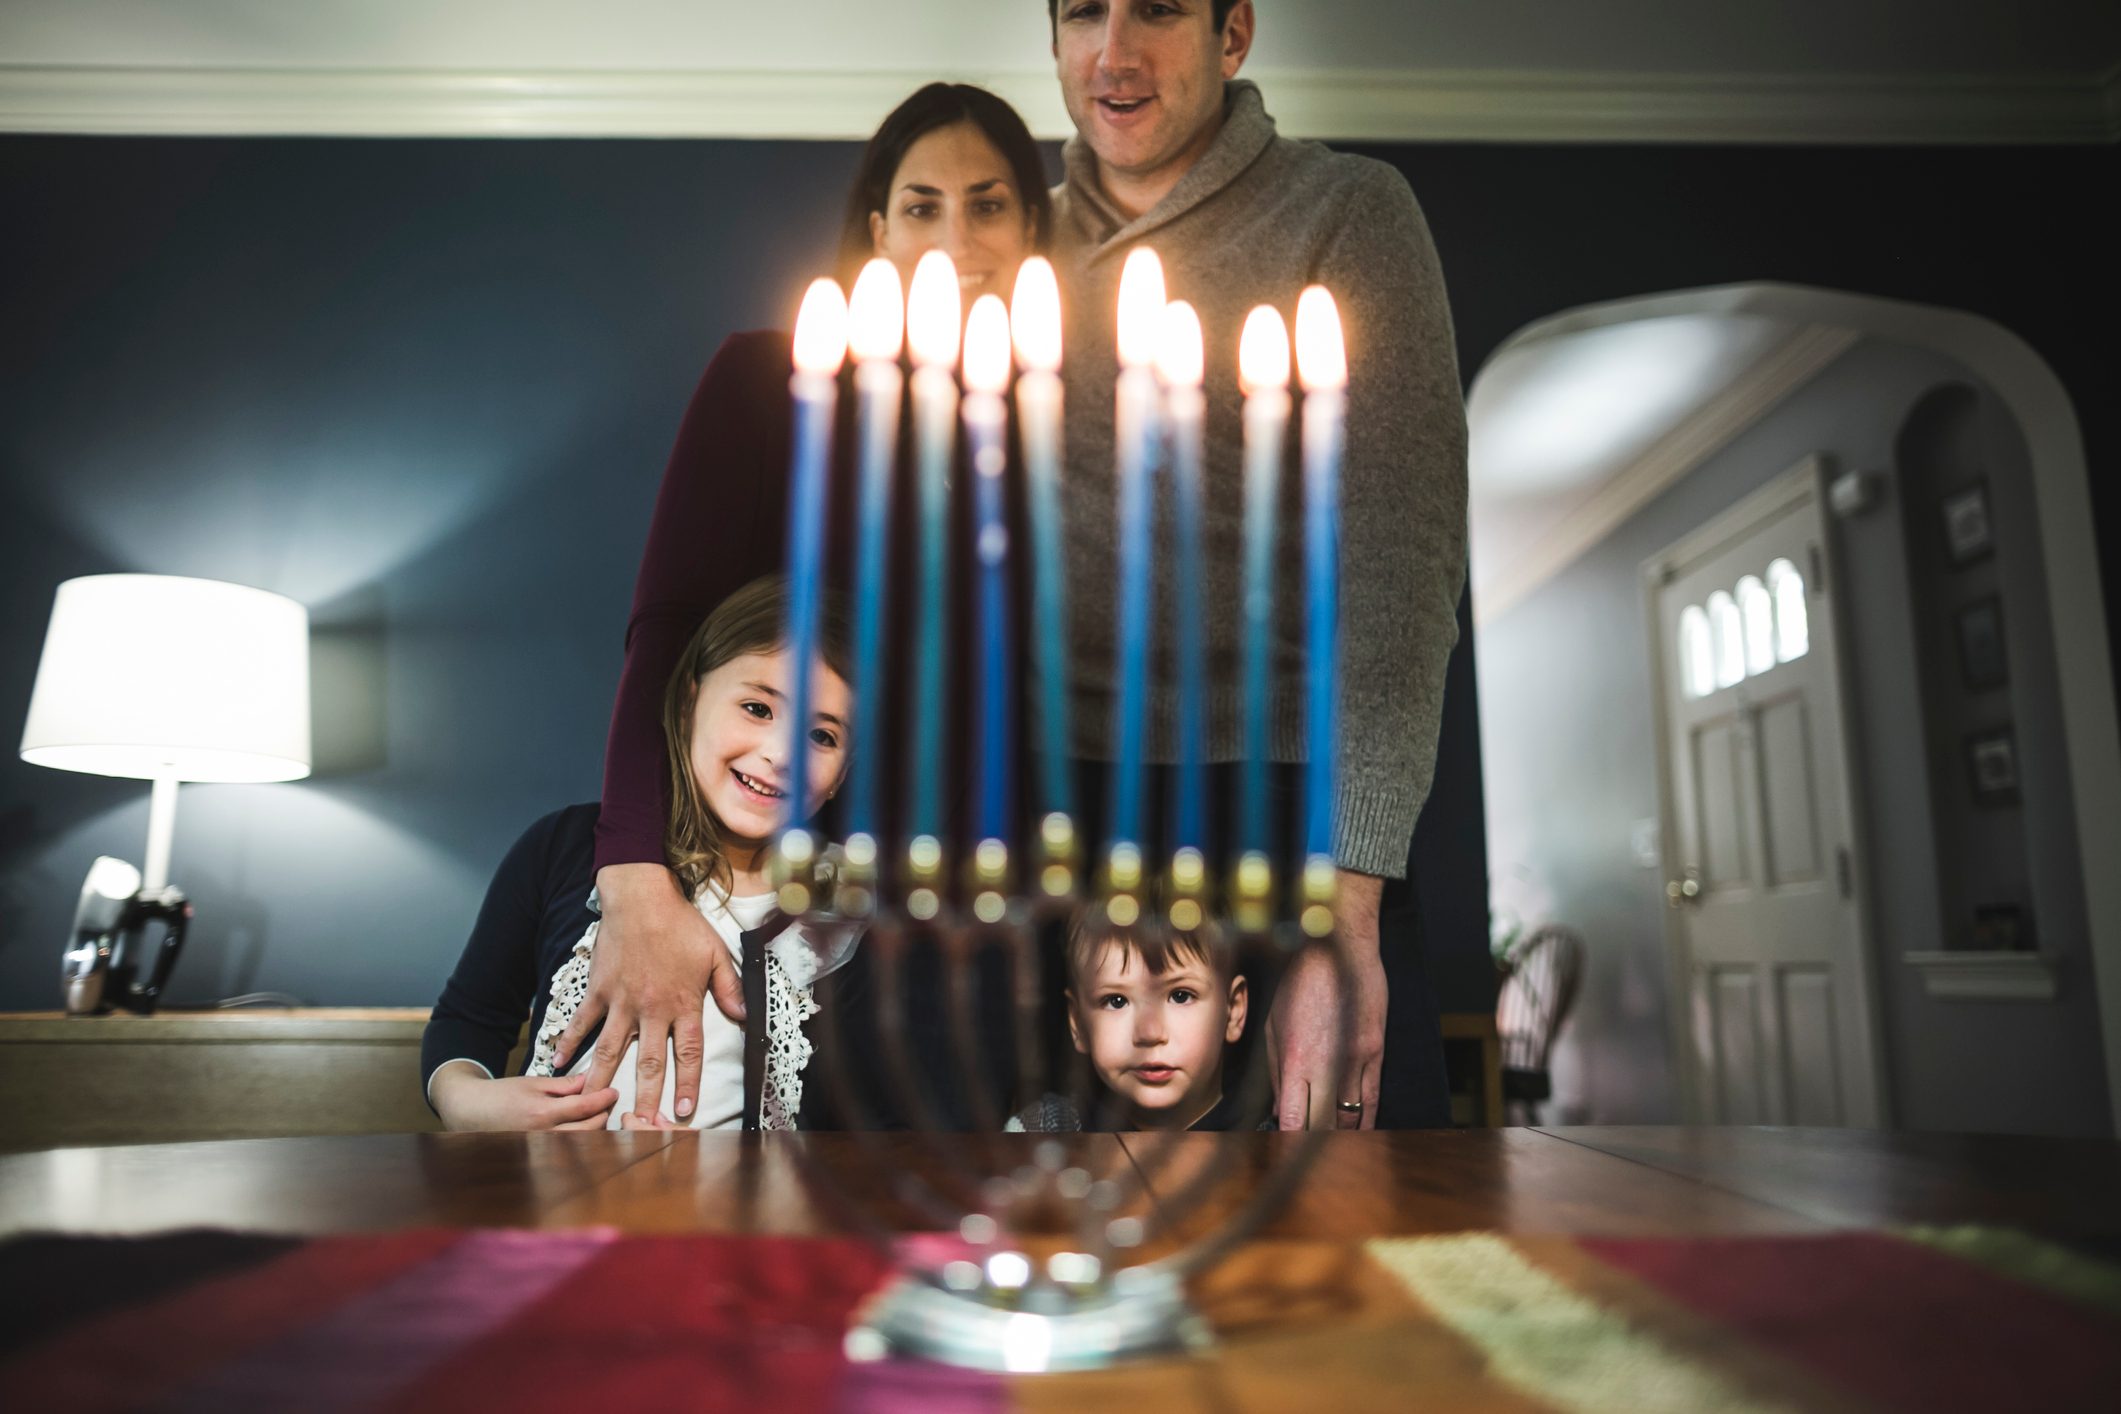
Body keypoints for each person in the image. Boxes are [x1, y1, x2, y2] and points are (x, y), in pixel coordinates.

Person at [551, 85, 1053, 1124]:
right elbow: (664, 640)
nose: (956, 238)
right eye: (921, 205)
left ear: (1034, 229)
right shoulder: (768, 384)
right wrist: (634, 879)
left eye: (990, 203)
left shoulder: (1056, 435)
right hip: (784, 911)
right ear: (877, 231)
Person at [1042, 1, 1469, 1131]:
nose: (1115, 51)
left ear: (1233, 35)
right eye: (1083, 10)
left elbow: (1398, 564)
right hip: (1043, 805)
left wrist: (1345, 914)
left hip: (1284, 815)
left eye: (1159, 11)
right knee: (1042, 1243)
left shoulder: (1345, 212)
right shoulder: (1013, 248)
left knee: (1337, 1233)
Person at [422, 576, 857, 1131]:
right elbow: (470, 1018)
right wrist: (466, 1100)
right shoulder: (564, 848)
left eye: (822, 737)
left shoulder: (853, 904)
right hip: (552, 1201)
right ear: (688, 704)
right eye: (756, 707)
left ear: (845, 771)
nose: (780, 754)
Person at [1011, 911, 1259, 1132]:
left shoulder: (1274, 1136)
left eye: (1180, 996)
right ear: (1077, 1023)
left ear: (1233, 1010)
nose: (1149, 1033)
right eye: (1116, 1001)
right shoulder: (1045, 1127)